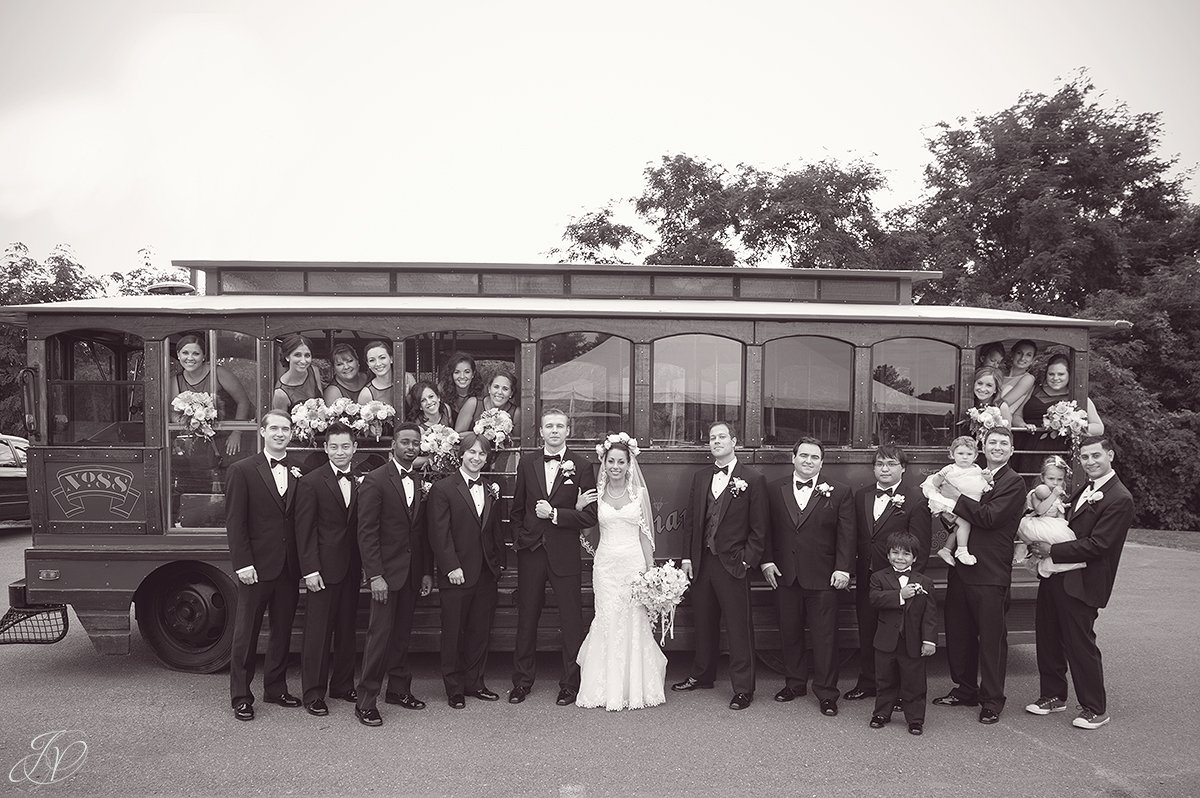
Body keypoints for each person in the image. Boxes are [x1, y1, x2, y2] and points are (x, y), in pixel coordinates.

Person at [1025, 434, 1134, 730]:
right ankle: (1053, 696)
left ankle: (1095, 708)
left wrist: (1052, 550)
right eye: (1085, 457)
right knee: (1047, 637)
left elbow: (1100, 544)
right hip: (1056, 575)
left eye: (1096, 456)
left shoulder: (1119, 497)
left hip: (1084, 581)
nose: (1090, 462)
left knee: (1079, 644)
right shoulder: (1084, 488)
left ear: (1110, 455)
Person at [927, 426, 1026, 724]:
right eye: (992, 442)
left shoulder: (1014, 482)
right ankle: (965, 688)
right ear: (983, 447)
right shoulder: (972, 473)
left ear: (1011, 449)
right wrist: (947, 515)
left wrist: (954, 498)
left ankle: (992, 699)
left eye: (1003, 443)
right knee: (959, 631)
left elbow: (990, 517)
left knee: (992, 638)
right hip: (961, 567)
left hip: (991, 570)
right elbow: (960, 522)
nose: (997, 447)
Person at [672, 421, 768, 711]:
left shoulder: (752, 478)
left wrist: (747, 560)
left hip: (733, 563)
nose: (716, 441)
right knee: (703, 621)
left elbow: (760, 528)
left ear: (734, 441)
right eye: (712, 438)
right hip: (703, 561)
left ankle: (743, 688)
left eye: (722, 437)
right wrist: (688, 557)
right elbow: (692, 522)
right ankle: (703, 675)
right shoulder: (701, 477)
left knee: (739, 627)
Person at [509, 409, 598, 706]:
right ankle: (521, 682)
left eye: (560, 426)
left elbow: (589, 516)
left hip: (564, 552)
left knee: (571, 619)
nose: (555, 431)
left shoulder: (583, 466)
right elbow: (517, 509)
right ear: (542, 431)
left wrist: (557, 514)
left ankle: (570, 684)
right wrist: (522, 539)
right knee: (527, 618)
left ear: (568, 430)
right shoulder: (527, 463)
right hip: (532, 552)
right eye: (550, 426)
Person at [761, 437, 854, 716]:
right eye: (803, 456)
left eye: (814, 457)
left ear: (822, 462)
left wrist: (843, 568)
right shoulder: (773, 489)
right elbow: (764, 529)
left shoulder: (839, 492)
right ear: (793, 458)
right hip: (785, 575)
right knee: (789, 633)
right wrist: (766, 562)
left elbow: (846, 535)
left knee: (825, 637)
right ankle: (795, 683)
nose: (808, 461)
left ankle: (827, 693)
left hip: (824, 577)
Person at [574, 436, 666, 711]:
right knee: (606, 618)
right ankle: (603, 688)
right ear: (604, 462)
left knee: (633, 620)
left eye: (621, 462)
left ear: (629, 464)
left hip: (632, 565)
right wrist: (579, 508)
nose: (615, 466)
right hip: (605, 567)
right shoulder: (596, 495)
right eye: (610, 461)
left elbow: (645, 535)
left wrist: (650, 572)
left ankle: (634, 687)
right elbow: (585, 530)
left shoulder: (640, 494)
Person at [353, 423, 435, 726]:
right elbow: (367, 532)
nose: (411, 447)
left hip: (411, 575)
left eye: (415, 443)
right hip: (385, 577)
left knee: (402, 636)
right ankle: (366, 701)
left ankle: (398, 690)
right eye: (405, 442)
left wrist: (426, 572)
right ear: (393, 445)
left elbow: (420, 534)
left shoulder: (416, 478)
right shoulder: (375, 481)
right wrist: (375, 575)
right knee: (379, 637)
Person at [224, 410, 303, 721]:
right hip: (255, 567)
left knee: (283, 630)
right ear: (262, 432)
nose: (280, 433)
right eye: (274, 428)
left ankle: (276, 687)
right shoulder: (242, 470)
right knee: (247, 632)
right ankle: (241, 696)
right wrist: (243, 563)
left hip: (288, 566)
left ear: (292, 433)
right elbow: (235, 522)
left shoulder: (299, 469)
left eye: (285, 429)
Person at [845, 445, 932, 702]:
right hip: (868, 579)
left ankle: (897, 692)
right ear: (873, 468)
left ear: (903, 468)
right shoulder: (861, 496)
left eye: (891, 464)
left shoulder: (916, 500)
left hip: (898, 584)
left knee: (897, 638)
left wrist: (910, 585)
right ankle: (868, 681)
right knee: (868, 631)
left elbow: (921, 547)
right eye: (880, 464)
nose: (885, 469)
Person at [428, 433, 505, 709]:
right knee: (453, 631)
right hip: (456, 573)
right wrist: (451, 567)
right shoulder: (444, 488)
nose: (476, 458)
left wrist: (497, 565)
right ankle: (454, 688)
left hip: (485, 572)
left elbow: (494, 530)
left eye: (482, 454)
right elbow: (439, 533)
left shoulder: (489, 488)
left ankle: (475, 682)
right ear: (461, 454)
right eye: (471, 452)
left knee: (479, 631)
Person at [293, 423, 363, 717]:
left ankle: (343, 684)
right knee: (318, 634)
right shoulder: (311, 482)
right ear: (325, 449)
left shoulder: (361, 482)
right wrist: (309, 570)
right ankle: (313, 692)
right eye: (333, 447)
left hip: (351, 568)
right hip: (321, 570)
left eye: (345, 447)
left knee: (347, 629)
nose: (339, 452)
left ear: (355, 448)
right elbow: (304, 530)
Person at [867, 530, 938, 736]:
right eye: (895, 553)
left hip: (913, 641)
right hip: (886, 641)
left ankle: (915, 719)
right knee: (884, 680)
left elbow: (930, 614)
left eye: (906, 554)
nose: (900, 558)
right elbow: (874, 599)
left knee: (914, 682)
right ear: (888, 555)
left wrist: (929, 641)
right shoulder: (878, 577)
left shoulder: (924, 582)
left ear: (914, 558)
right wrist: (899, 595)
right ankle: (881, 713)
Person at [170, 333, 251, 457]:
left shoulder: (219, 373)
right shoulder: (175, 381)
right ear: (178, 355)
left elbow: (243, 402)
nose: (190, 358)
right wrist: (190, 424)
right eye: (185, 353)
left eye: (196, 354)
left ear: (204, 356)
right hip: (199, 440)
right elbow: (173, 414)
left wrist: (237, 433)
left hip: (228, 435)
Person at [923, 436, 990, 567]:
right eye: (960, 453)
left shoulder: (977, 470)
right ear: (952, 454)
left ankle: (946, 550)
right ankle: (962, 551)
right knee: (964, 525)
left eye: (969, 454)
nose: (964, 457)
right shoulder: (950, 469)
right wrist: (941, 475)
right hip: (949, 504)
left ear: (975, 456)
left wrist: (987, 482)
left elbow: (982, 485)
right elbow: (936, 484)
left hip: (968, 504)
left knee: (958, 529)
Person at [1016, 455, 1085, 578]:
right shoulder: (1038, 492)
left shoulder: (1057, 495)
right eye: (1051, 478)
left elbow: (1059, 514)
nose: (1055, 483)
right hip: (1036, 523)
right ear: (1042, 477)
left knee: (1062, 539)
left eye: (1059, 479)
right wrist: (1053, 495)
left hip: (1050, 524)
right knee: (1061, 539)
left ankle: (1045, 564)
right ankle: (1037, 560)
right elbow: (1040, 510)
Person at [1023, 353, 1105, 436]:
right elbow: (1016, 415)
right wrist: (1023, 425)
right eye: (1051, 374)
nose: (1055, 378)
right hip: (1025, 442)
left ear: (1069, 375)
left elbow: (1099, 428)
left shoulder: (1078, 397)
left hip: (1059, 446)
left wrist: (1071, 425)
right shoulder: (1033, 390)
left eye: (1061, 374)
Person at [455, 368, 521, 435]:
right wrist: (485, 434)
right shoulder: (473, 403)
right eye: (496, 387)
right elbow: (457, 435)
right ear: (489, 388)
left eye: (505, 389)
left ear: (511, 393)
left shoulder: (516, 413)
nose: (500, 392)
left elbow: (517, 442)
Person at [356, 340, 416, 408]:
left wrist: (407, 397)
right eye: (372, 360)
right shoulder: (366, 394)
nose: (378, 364)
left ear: (391, 359)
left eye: (382, 358)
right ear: (368, 364)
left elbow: (420, 411)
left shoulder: (407, 378)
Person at [273, 334, 323, 412]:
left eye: (307, 355)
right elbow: (281, 422)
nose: (303, 361)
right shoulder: (280, 393)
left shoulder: (314, 371)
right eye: (297, 355)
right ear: (287, 357)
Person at [1001, 339, 1038, 425]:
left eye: (1028, 355)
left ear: (1032, 360)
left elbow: (1004, 403)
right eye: (1019, 353)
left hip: (1004, 423)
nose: (1022, 358)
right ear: (1012, 354)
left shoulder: (1028, 378)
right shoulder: (1000, 375)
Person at [438, 351, 484, 419]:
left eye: (467, 372)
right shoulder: (442, 389)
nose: (462, 376)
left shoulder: (482, 391)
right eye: (457, 372)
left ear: (473, 374)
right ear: (451, 374)